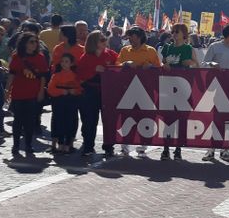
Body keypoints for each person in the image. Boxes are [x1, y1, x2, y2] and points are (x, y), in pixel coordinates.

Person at [201, 23, 229, 162]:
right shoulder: (214, 47)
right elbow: (203, 63)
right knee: (214, 119)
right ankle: (210, 149)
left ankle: (225, 149)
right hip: (215, 89)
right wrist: (211, 64)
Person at [117, 26, 161, 156]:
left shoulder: (151, 51)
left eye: (132, 36)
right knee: (126, 117)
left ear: (140, 37)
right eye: (129, 36)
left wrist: (151, 67)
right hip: (127, 89)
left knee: (146, 117)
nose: (130, 39)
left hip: (147, 90)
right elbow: (116, 66)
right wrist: (125, 64)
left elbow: (160, 69)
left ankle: (143, 145)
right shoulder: (125, 50)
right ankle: (125, 146)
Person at [159, 24, 197, 161]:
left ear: (184, 34)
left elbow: (197, 65)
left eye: (177, 32)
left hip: (183, 90)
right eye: (173, 31)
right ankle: (165, 148)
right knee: (167, 121)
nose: (174, 34)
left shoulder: (188, 48)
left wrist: (190, 63)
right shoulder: (167, 47)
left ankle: (178, 149)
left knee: (182, 121)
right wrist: (164, 65)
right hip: (168, 89)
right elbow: (161, 63)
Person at [6, 32, 48, 158]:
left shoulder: (40, 57)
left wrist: (41, 91)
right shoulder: (16, 57)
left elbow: (42, 77)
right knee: (17, 120)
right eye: (31, 42)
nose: (35, 44)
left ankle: (28, 145)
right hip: (18, 92)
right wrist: (7, 90)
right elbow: (11, 75)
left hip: (33, 93)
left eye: (36, 42)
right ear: (24, 43)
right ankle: (16, 145)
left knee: (30, 121)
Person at [78, 31, 119, 157]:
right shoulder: (85, 57)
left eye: (105, 39)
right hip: (90, 91)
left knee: (108, 119)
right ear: (93, 42)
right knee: (89, 120)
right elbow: (79, 76)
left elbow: (119, 66)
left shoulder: (111, 54)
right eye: (101, 39)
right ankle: (88, 145)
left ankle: (108, 146)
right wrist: (93, 70)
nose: (105, 41)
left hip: (107, 91)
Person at [48, 53, 82, 153]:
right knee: (59, 122)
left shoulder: (75, 76)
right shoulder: (56, 75)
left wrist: (74, 91)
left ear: (71, 64)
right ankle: (60, 143)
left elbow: (80, 89)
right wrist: (61, 91)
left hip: (71, 102)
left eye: (66, 61)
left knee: (70, 122)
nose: (63, 63)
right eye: (62, 61)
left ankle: (68, 144)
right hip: (59, 102)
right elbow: (50, 89)